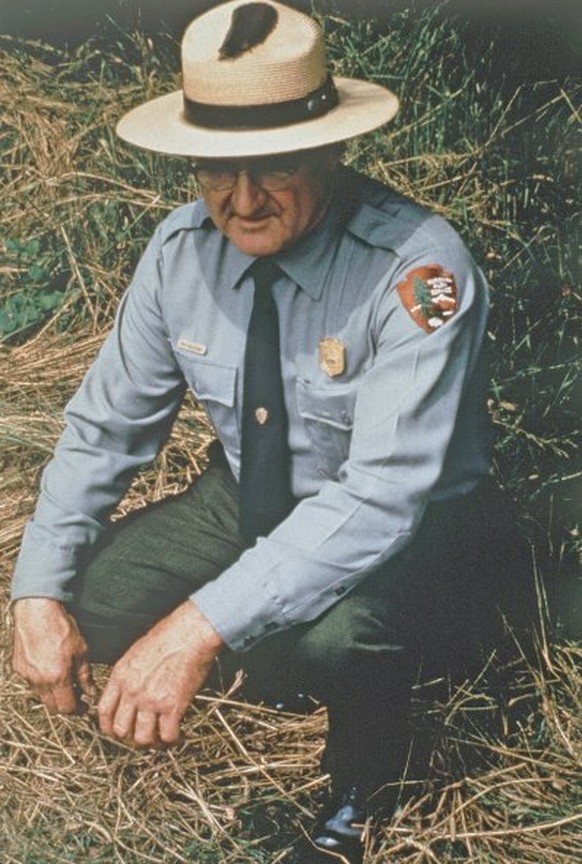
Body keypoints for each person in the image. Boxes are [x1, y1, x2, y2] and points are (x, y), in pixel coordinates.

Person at [10, 2, 536, 861]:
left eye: (277, 164)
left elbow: (380, 499)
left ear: (332, 145)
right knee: (95, 597)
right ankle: (277, 638)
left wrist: (195, 630)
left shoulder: (418, 273)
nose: (243, 200)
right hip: (250, 491)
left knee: (343, 636)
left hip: (413, 526)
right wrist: (34, 591)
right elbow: (105, 430)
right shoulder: (180, 252)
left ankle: (370, 784)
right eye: (218, 168)